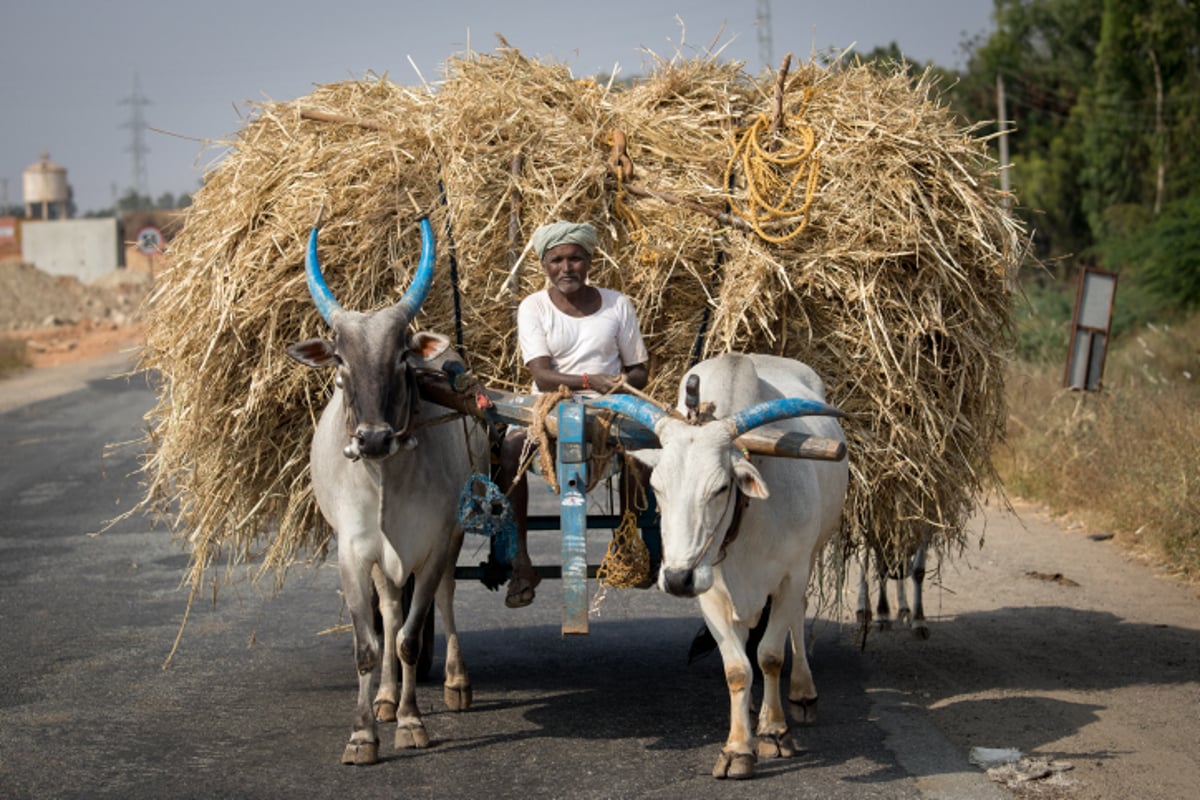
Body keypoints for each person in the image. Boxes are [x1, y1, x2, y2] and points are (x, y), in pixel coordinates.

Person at [497, 220, 650, 608]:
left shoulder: (618, 304)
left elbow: (640, 371)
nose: (567, 268)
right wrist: (586, 379)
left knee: (641, 455)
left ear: (589, 261)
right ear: (545, 265)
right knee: (511, 452)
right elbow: (542, 375)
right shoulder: (533, 307)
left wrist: (615, 384)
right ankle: (520, 559)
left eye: (575, 259)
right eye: (557, 260)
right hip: (549, 406)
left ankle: (629, 542)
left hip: (610, 405)